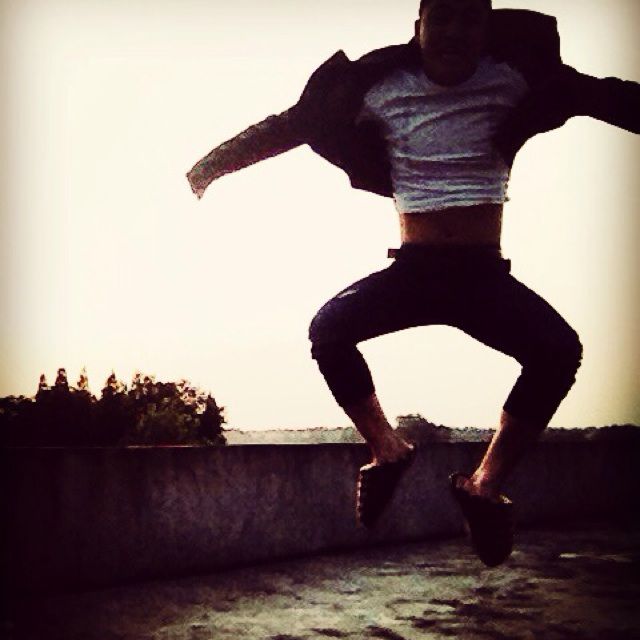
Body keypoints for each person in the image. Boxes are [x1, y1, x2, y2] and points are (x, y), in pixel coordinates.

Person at [187, 0, 639, 566]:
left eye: (468, 20)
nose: (454, 32)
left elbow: (608, 96)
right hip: (414, 270)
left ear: (486, 30)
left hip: (481, 275)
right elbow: (290, 126)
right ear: (418, 27)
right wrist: (211, 166)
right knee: (329, 331)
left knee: (559, 352)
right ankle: (387, 449)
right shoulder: (380, 90)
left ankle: (484, 487)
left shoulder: (516, 80)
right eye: (441, 19)